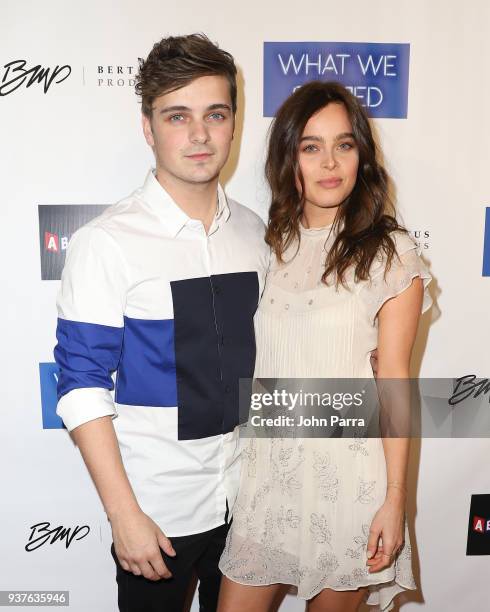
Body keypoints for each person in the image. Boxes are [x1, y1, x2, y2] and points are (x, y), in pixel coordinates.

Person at [53, 34, 269, 612]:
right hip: (158, 515)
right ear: (149, 129)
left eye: (215, 114)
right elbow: (80, 386)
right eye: (179, 116)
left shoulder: (256, 233)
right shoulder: (107, 241)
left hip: (251, 504)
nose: (199, 135)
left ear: (233, 123)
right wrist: (124, 516)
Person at [218, 81, 432, 612]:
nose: (329, 162)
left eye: (344, 144)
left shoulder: (389, 254)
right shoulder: (270, 244)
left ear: (362, 154)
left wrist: (394, 501)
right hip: (269, 477)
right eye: (311, 146)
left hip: (350, 482)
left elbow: (395, 385)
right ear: (289, 158)